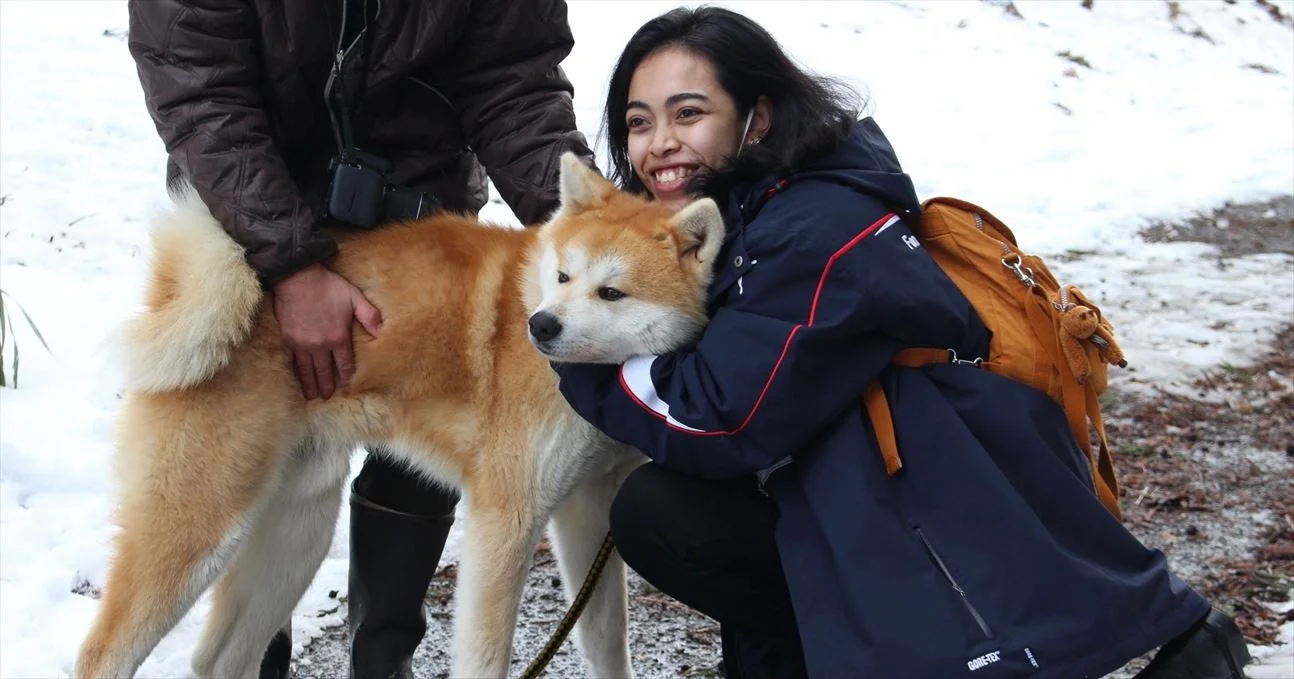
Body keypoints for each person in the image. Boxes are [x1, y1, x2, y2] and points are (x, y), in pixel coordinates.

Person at [553, 6, 1253, 679]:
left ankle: (1194, 650)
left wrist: (574, 349)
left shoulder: (816, 229)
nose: (657, 145)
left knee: (663, 513)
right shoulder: (761, 207)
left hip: (939, 515)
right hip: (904, 497)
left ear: (757, 117)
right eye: (638, 123)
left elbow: (721, 414)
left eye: (689, 113)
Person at [124, 1, 595, 677]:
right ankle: (254, 660)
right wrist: (288, 258)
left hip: (417, 213)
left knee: (443, 430)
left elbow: (513, 79)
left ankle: (382, 658)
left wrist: (600, 237)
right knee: (247, 492)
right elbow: (196, 79)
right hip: (249, 217)